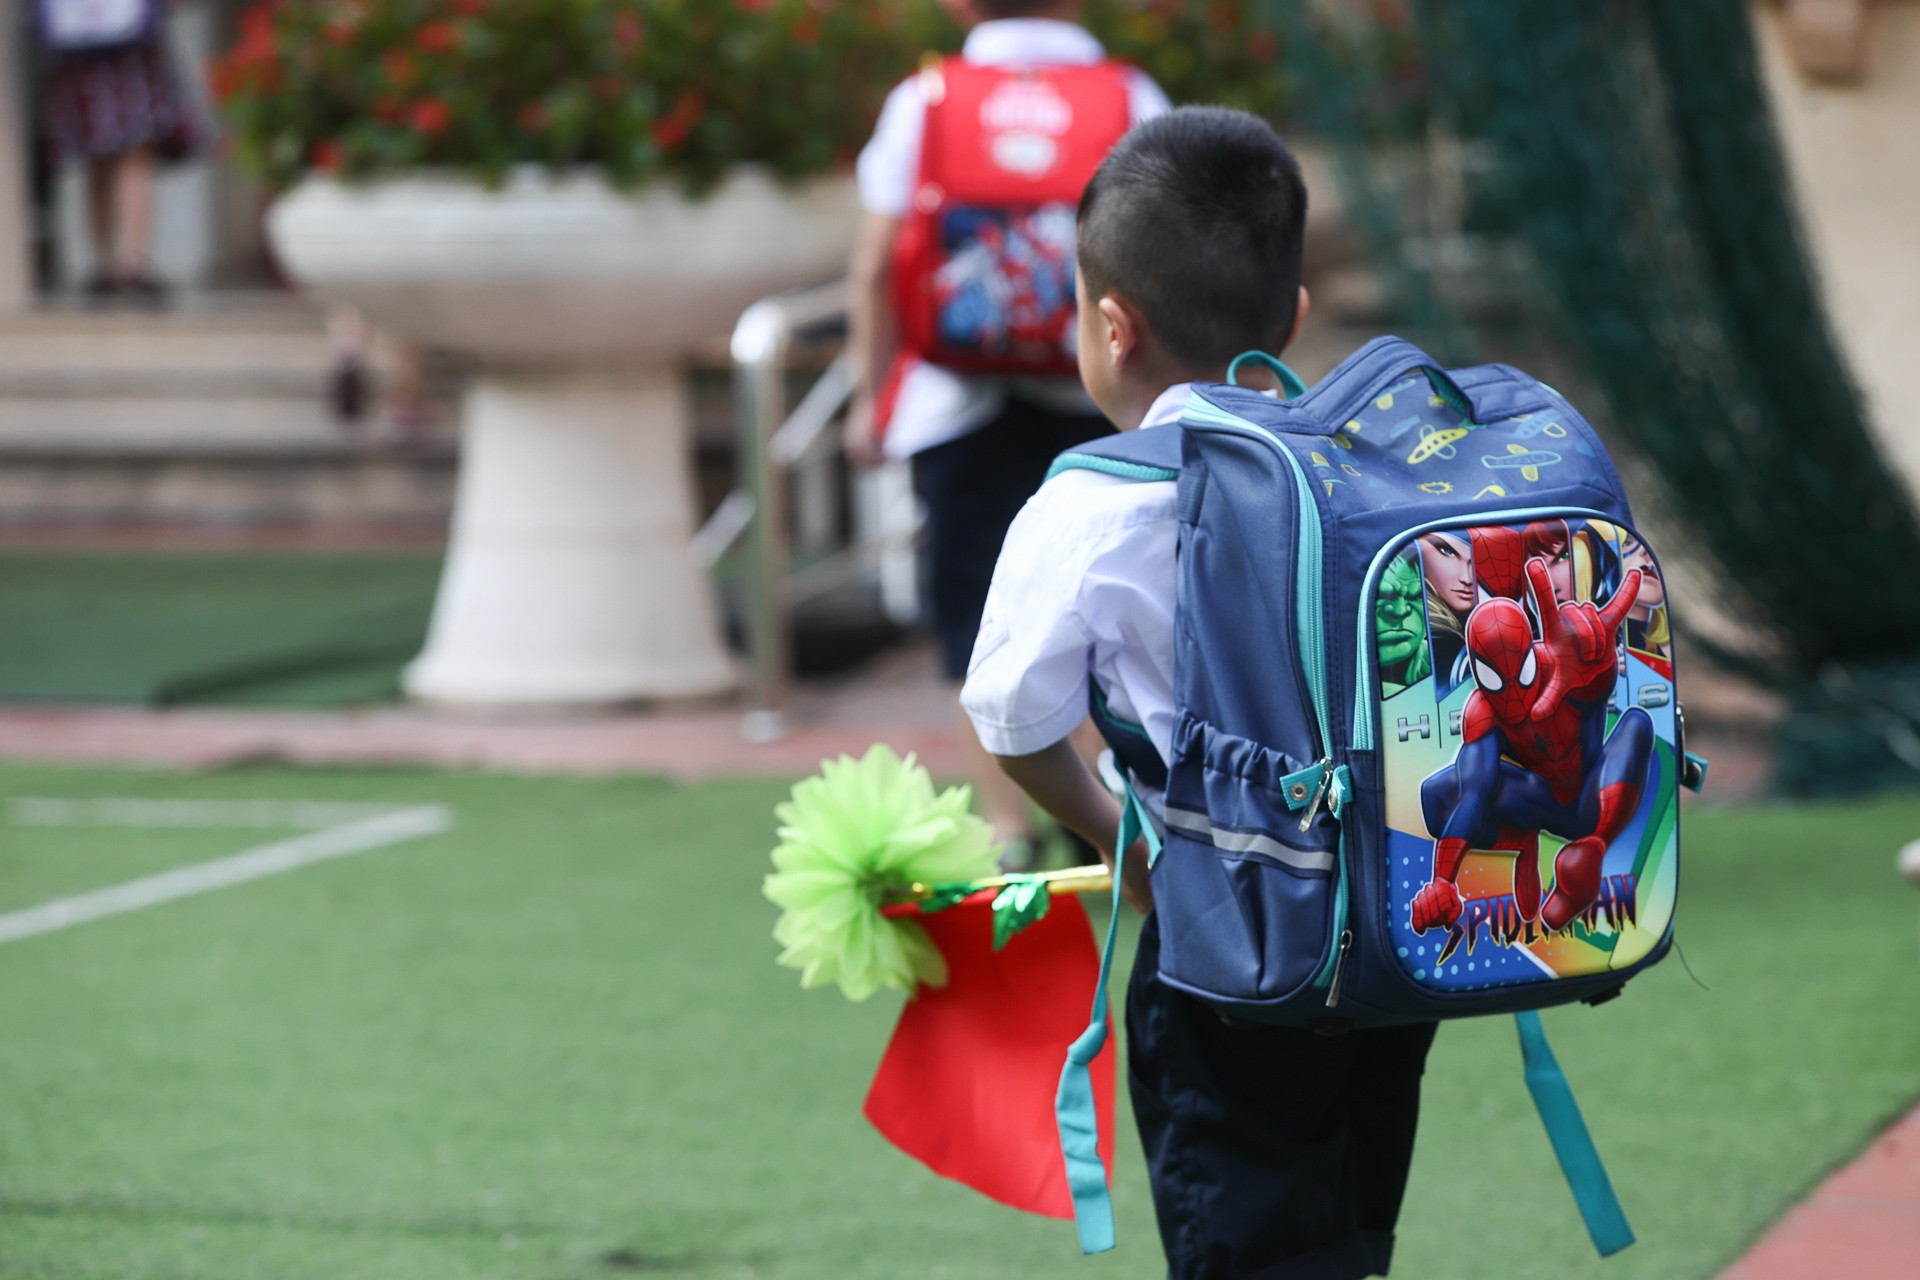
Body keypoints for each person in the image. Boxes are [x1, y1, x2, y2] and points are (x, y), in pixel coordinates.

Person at [960, 108, 1437, 1279]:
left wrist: (1128, 844)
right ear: (1296, 318)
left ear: (1110, 326)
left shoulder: (1085, 502)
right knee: (1343, 1222)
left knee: (1239, 1234)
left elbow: (1012, 719)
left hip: (1223, 946)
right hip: (1385, 935)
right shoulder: (1365, 466)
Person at [845, 0, 1168, 869]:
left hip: (956, 399)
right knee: (1108, 607)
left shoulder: (929, 98)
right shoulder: (1128, 94)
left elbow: (877, 263)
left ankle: (1009, 828)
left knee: (974, 616)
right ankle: (1111, 819)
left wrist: (867, 399)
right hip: (1094, 396)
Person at [36, 0, 202, 303]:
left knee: (105, 160)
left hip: (85, 53)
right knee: (131, 157)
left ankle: (110, 267)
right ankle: (131, 267)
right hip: (121, 54)